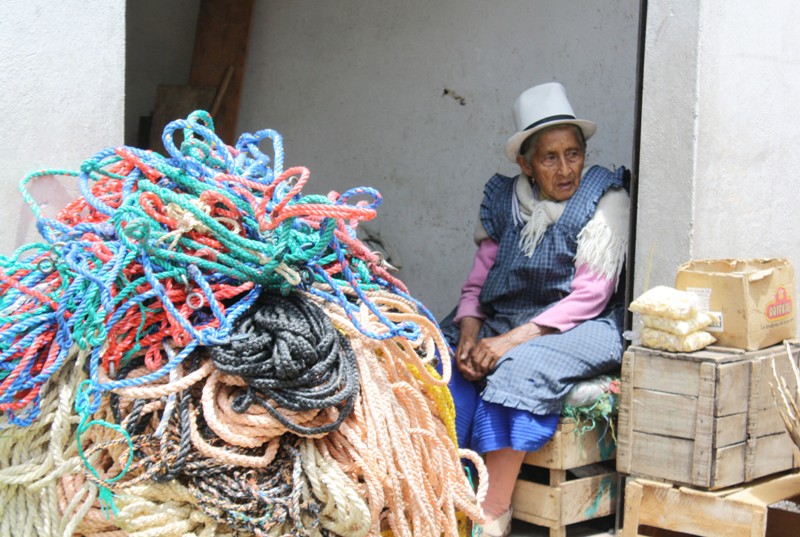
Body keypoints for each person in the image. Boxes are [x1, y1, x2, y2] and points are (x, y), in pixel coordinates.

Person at [440, 82, 630, 537]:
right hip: (509, 316)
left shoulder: (607, 200)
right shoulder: (505, 200)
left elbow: (590, 297)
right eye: (550, 158)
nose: (565, 169)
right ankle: (448, 486)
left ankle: (492, 512)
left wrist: (506, 342)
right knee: (440, 355)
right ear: (526, 164)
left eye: (573, 154)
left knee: (517, 371)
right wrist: (470, 331)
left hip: (582, 324)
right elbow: (477, 283)